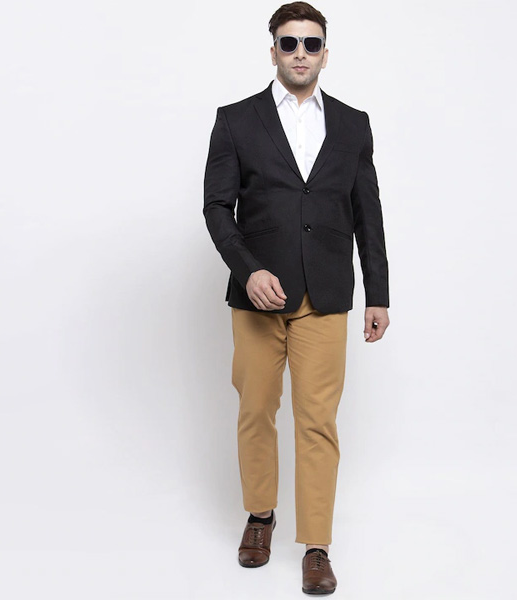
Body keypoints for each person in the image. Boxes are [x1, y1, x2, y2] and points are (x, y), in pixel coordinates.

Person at [203, 1, 390, 594]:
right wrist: (248, 270)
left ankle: (316, 545)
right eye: (289, 43)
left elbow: (368, 213)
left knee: (318, 421)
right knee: (256, 409)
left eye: (311, 44)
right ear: (273, 51)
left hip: (326, 293)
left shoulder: (354, 124)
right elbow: (217, 207)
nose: (300, 53)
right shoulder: (236, 120)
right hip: (258, 295)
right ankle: (260, 516)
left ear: (325, 54)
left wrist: (378, 293)